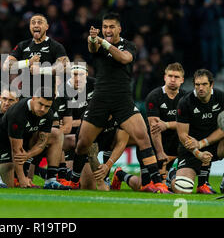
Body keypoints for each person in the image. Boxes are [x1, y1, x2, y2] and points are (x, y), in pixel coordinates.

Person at [68, 12, 171, 193]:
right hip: (100, 99)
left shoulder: (128, 45)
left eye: (111, 27)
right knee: (82, 143)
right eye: (105, 27)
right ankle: (73, 181)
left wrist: (102, 41)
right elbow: (92, 48)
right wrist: (93, 39)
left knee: (143, 137)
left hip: (122, 99)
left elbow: (124, 58)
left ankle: (157, 182)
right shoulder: (97, 44)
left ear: (119, 28)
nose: (108, 30)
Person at [169, 69, 224, 196]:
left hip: (212, 145)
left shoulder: (220, 97)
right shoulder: (185, 102)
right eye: (197, 85)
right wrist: (198, 153)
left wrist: (202, 144)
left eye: (204, 84)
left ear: (211, 85)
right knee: (183, 189)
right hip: (190, 151)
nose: (200, 88)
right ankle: (172, 175)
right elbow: (182, 136)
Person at [111, 62, 187, 192]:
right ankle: (120, 174)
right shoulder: (154, 96)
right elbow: (154, 128)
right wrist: (159, 152)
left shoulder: (186, 98)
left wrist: (167, 125)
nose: (173, 80)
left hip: (174, 146)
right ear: (165, 77)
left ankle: (166, 176)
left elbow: (187, 125)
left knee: (169, 187)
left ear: (182, 80)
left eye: (176, 77)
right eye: (170, 76)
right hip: (151, 147)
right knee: (144, 186)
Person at [0, 87, 70, 189]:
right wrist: (22, 180)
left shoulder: (48, 113)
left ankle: (51, 180)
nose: (43, 109)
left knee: (57, 134)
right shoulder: (18, 112)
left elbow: (42, 142)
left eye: (47, 106)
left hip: (26, 142)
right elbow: (16, 150)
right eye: (41, 104)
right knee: (6, 184)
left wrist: (28, 155)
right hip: (3, 145)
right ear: (34, 98)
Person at [2, 13, 69, 97]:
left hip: (47, 96)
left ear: (47, 27)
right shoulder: (23, 45)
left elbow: (65, 67)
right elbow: (6, 66)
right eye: (33, 23)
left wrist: (41, 70)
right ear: (30, 27)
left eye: (40, 22)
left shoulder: (55, 46)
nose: (36, 25)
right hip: (26, 95)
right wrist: (28, 62)